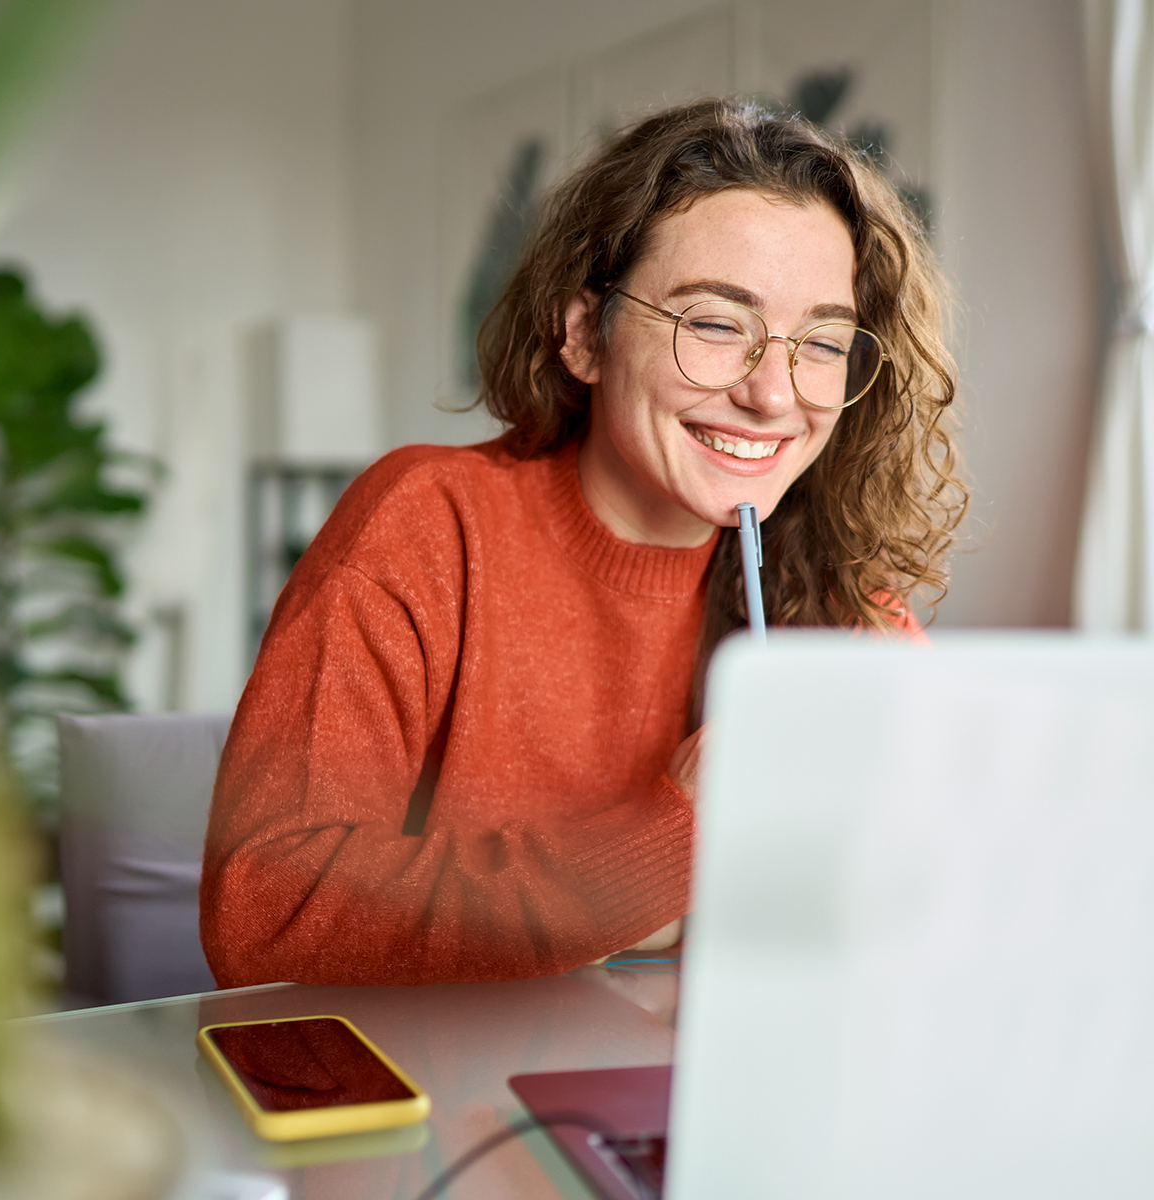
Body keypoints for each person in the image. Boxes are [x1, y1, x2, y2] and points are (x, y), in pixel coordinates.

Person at [200, 99, 966, 987]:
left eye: (822, 343)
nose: (773, 394)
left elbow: (931, 889)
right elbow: (263, 909)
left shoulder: (835, 587)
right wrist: (672, 840)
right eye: (716, 324)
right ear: (582, 334)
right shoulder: (425, 525)